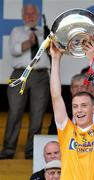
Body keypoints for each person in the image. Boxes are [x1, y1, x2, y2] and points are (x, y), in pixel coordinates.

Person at [49, 37, 94, 179]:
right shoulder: (66, 131)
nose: (79, 110)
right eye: (75, 106)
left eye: (84, 105)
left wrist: (93, 60)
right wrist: (55, 59)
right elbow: (55, 96)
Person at [0, 4, 50, 159]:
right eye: (27, 13)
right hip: (20, 73)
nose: (30, 16)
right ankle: (8, 149)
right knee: (15, 112)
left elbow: (53, 53)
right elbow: (14, 50)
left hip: (40, 75)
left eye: (33, 13)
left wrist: (50, 42)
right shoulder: (17, 31)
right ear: (22, 16)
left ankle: (32, 150)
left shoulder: (45, 32)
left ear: (38, 15)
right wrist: (28, 43)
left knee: (37, 114)